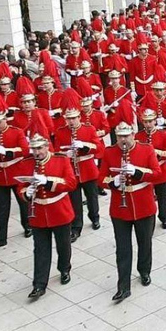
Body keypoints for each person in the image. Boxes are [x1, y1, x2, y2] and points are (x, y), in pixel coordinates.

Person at [98, 102, 161, 301]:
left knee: (145, 243)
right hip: (120, 208)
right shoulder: (110, 152)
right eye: (119, 136)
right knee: (123, 248)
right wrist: (114, 182)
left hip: (143, 205)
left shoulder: (146, 149)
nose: (123, 140)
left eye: (126, 136)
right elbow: (101, 178)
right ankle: (123, 285)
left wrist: (139, 172)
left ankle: (144, 270)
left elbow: (157, 174)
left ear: (133, 134)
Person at [15, 111, 76, 299]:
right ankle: (39, 283)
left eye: (40, 148)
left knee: (63, 245)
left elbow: (71, 183)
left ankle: (64, 268)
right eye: (34, 149)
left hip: (59, 209)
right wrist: (26, 193)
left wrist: (49, 183)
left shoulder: (60, 160)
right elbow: (20, 186)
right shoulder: (27, 163)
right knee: (40, 249)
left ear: (47, 146)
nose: (37, 152)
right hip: (38, 212)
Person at [53, 89, 104, 241]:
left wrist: (84, 146)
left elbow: (99, 148)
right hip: (71, 170)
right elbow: (56, 152)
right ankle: (76, 227)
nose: (71, 121)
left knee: (92, 197)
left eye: (74, 118)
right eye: (69, 119)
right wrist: (65, 155)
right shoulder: (61, 132)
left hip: (87, 168)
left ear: (79, 117)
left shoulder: (88, 129)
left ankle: (94, 217)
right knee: (74, 201)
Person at [0, 91, 31, 247]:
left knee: (23, 202)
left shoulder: (16, 131)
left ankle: (28, 226)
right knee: (2, 208)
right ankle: (1, 236)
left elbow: (24, 150)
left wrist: (9, 151)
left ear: (5, 119)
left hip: (15, 170)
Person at [136, 100, 166, 230]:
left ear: (155, 121)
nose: (148, 124)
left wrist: (154, 151)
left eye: (150, 121)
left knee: (163, 198)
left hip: (161, 171)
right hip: (146, 172)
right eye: (145, 122)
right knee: (148, 199)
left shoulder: (163, 134)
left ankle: (164, 217)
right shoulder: (139, 136)